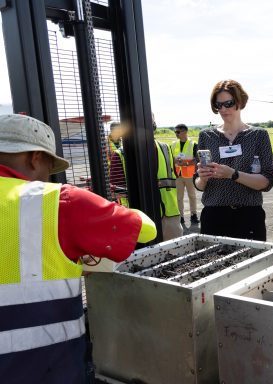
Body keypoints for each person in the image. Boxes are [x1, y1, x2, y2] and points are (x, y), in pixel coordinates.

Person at [0, 114, 157, 383]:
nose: (48, 176)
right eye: (49, 165)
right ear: (35, 157)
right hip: (43, 367)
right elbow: (146, 229)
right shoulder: (58, 201)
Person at [193, 79, 273, 241]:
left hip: (249, 215)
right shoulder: (206, 136)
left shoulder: (259, 135)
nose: (223, 109)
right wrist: (202, 178)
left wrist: (233, 174)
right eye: (218, 105)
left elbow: (267, 182)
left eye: (228, 103)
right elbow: (198, 184)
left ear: (240, 101)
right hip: (214, 215)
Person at [110, 135, 183, 241]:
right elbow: (115, 191)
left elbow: (173, 177)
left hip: (170, 214)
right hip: (137, 217)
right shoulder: (120, 154)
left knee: (176, 251)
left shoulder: (166, 148)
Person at [171, 123, 199, 225]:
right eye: (175, 132)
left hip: (190, 175)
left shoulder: (193, 144)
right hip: (178, 175)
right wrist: (175, 161)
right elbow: (171, 158)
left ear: (185, 132)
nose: (176, 134)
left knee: (192, 196)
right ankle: (181, 216)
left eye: (178, 132)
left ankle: (193, 215)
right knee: (179, 197)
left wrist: (186, 163)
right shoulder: (174, 144)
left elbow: (197, 159)